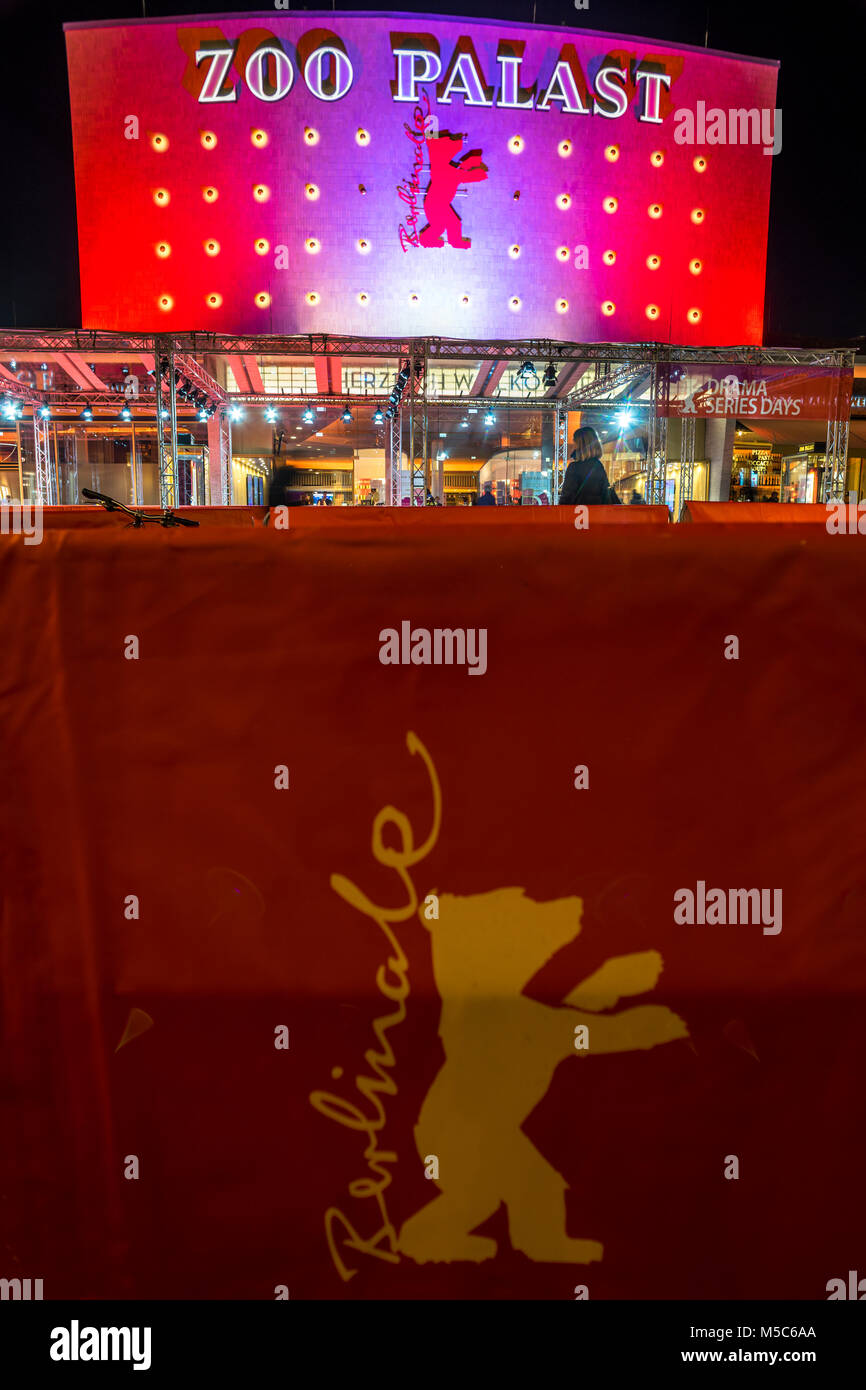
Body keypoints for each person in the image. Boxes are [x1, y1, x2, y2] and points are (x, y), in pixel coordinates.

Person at [559, 427, 620, 505]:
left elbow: (567, 497)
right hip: (597, 514)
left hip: (578, 515)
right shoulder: (598, 466)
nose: (573, 445)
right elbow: (605, 493)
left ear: (579, 445)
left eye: (574, 442)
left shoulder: (574, 467)